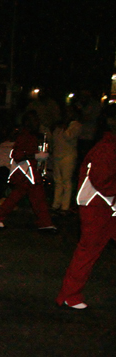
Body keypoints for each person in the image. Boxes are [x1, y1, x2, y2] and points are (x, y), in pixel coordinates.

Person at [56, 104, 116, 310]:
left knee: (87, 251)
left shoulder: (108, 145)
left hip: (104, 205)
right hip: (97, 207)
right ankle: (69, 294)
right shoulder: (107, 148)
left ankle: (69, 294)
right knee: (87, 251)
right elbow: (102, 181)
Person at [0, 110, 56, 231]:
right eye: (35, 120)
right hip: (26, 172)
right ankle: (45, 223)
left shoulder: (30, 136)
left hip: (27, 172)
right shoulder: (25, 136)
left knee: (23, 196)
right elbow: (17, 155)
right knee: (33, 197)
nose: (37, 123)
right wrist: (35, 156)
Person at [51, 107, 82, 214]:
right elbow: (54, 139)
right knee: (58, 181)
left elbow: (69, 136)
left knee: (66, 181)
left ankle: (65, 206)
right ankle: (56, 204)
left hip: (68, 156)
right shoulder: (59, 126)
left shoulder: (76, 125)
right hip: (57, 154)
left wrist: (64, 128)